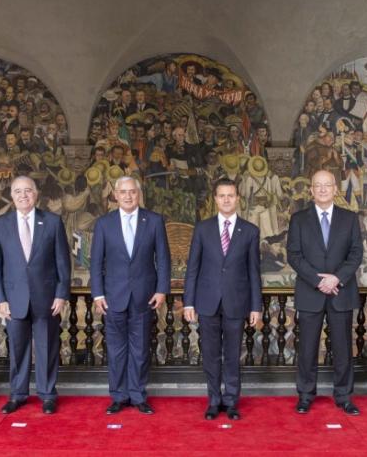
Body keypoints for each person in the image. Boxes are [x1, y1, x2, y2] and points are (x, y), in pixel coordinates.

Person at [0, 176, 71, 415]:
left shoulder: (53, 222)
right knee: (17, 349)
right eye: (18, 191)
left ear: (36, 194)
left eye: (28, 190)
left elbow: (63, 262)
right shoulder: (0, 224)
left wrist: (61, 294)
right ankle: (18, 394)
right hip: (14, 299)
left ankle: (47, 394)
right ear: (11, 195)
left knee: (47, 348)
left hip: (47, 299)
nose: (23, 195)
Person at [90, 176, 171, 415]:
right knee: (116, 350)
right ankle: (118, 396)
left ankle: (137, 395)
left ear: (139, 194)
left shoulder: (154, 220)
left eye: (132, 191)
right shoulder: (104, 223)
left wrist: (161, 289)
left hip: (144, 296)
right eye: (123, 192)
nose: (128, 196)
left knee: (140, 349)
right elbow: (96, 262)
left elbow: (163, 259)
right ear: (115, 195)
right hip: (113, 297)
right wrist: (97, 294)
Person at [183, 178, 262, 420]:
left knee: (232, 354)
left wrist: (256, 307)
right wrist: (188, 302)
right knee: (210, 354)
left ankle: (231, 401)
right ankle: (214, 400)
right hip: (207, 301)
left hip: (237, 301)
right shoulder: (202, 229)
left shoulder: (250, 231)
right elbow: (192, 268)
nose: (226, 199)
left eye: (230, 195)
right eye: (222, 195)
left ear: (237, 198)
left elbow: (254, 272)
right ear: (215, 199)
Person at [286, 170, 363, 415]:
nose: (322, 189)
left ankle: (344, 396)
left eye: (327, 185)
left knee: (343, 348)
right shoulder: (299, 219)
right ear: (311, 189)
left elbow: (356, 253)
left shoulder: (349, 218)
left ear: (335, 189)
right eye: (317, 185)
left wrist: (336, 278)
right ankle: (305, 395)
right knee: (307, 348)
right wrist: (318, 281)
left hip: (341, 291)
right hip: (311, 291)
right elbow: (294, 255)